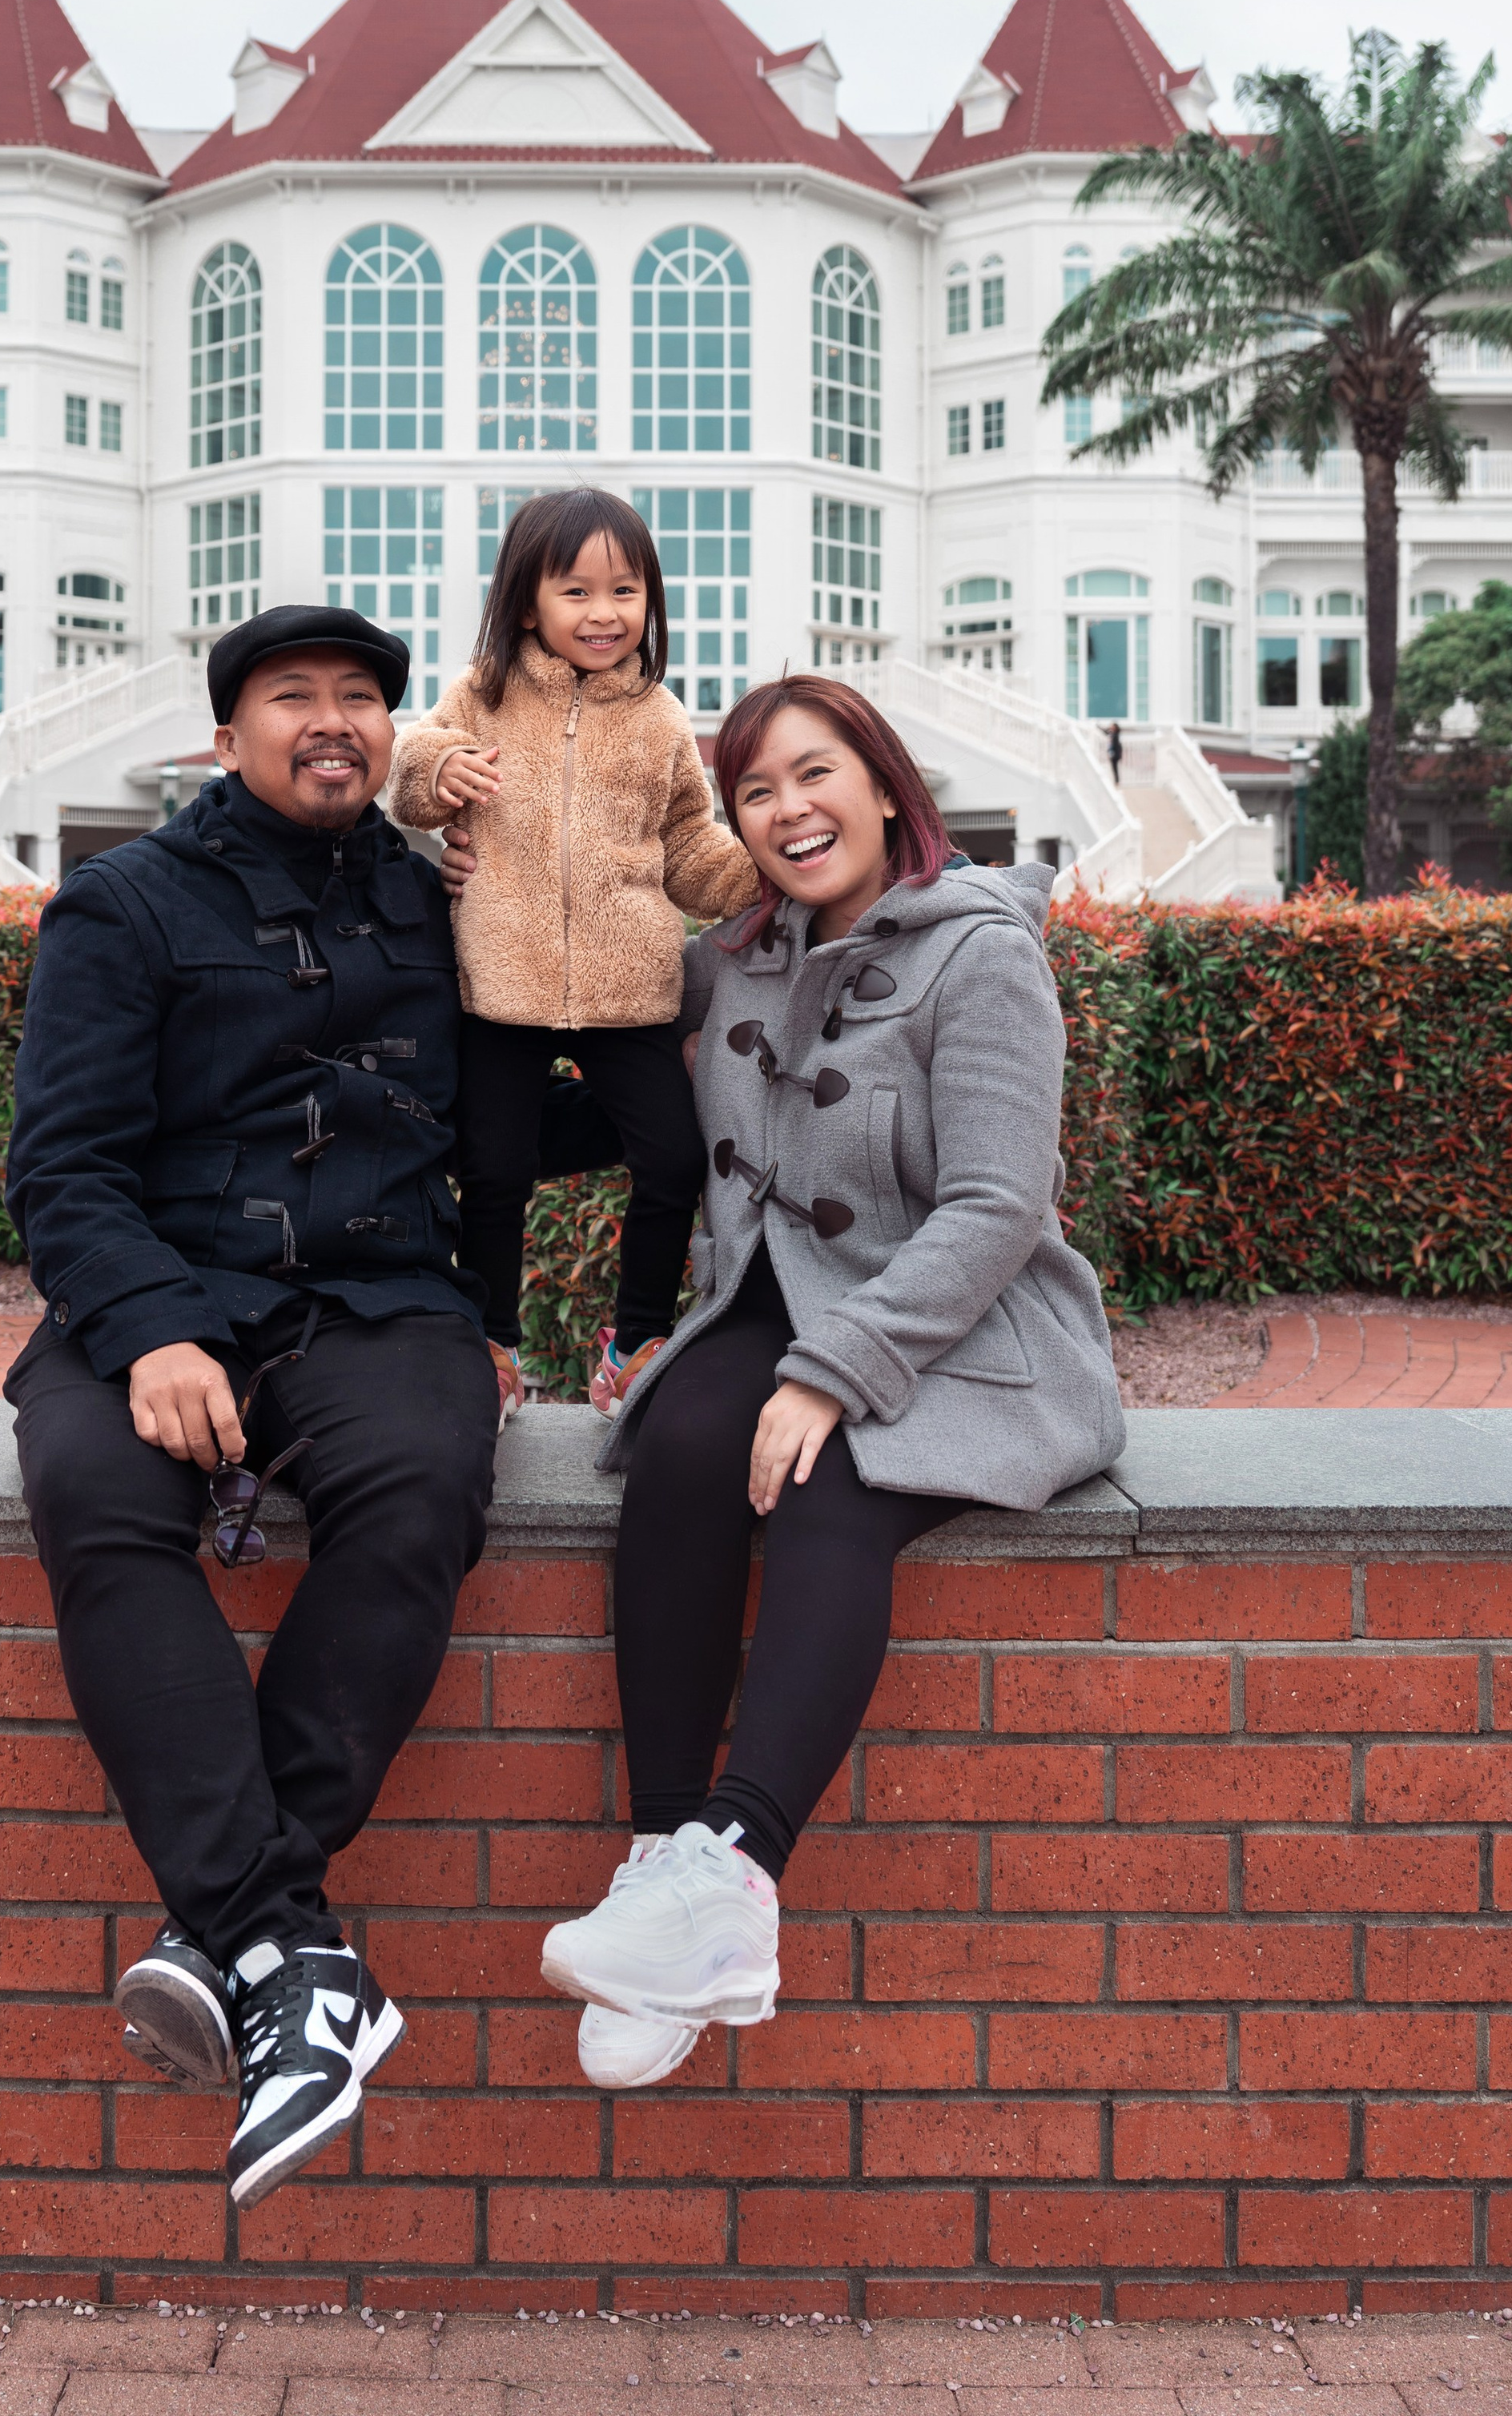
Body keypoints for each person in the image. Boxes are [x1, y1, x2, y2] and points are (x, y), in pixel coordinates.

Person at [537, 674, 1126, 2092]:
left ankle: (735, 1868)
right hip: (783, 1293)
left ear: (880, 782)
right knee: (680, 1441)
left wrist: (831, 1376)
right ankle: (668, 1870)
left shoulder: (983, 956)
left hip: (968, 1325)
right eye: (755, 789)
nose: (788, 810)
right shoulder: (740, 951)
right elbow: (597, 1053)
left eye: (815, 774)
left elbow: (992, 1210)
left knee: (827, 1481)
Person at [3, 606, 502, 2213]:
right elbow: (61, 1168)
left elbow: (544, 1096)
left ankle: (240, 1939)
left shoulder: (438, 905)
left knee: (423, 1490)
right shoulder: (124, 904)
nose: (333, 722)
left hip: (375, 1309)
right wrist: (147, 1332)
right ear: (226, 737)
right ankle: (289, 1939)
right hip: (158, 1295)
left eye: (362, 698)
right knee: (97, 1502)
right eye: (295, 698)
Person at [387, 488, 758, 1410]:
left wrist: (764, 876)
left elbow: (688, 844)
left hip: (629, 986)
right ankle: (493, 1344)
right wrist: (438, 770)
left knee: (673, 1160)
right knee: (493, 1172)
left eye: (625, 591)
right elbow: (406, 775)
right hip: (500, 985)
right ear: (527, 604)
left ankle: (634, 1343)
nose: (604, 614)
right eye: (577, 592)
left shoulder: (661, 717)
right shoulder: (482, 694)